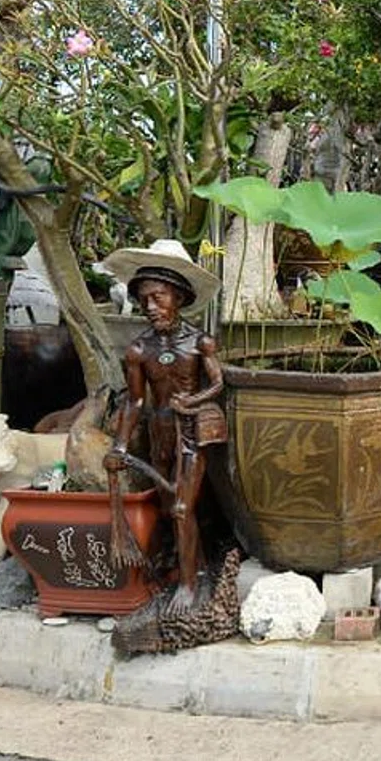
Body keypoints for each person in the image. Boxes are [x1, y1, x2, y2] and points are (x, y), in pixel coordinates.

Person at [100, 239, 225, 602]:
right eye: (144, 300)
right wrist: (120, 445)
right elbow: (136, 401)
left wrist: (194, 400)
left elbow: (217, 383)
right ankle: (196, 568)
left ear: (180, 298)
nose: (150, 307)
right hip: (160, 433)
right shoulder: (139, 350)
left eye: (158, 297)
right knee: (171, 507)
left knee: (184, 506)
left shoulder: (201, 343)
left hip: (191, 434)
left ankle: (187, 589)